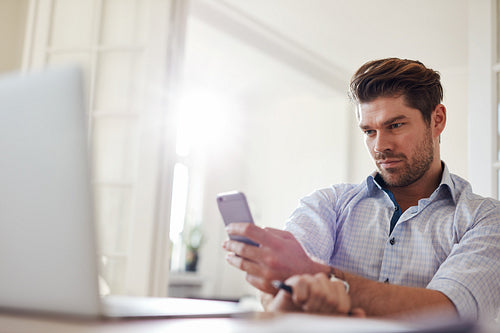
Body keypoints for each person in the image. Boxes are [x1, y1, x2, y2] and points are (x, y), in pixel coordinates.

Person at [222, 58, 500, 321]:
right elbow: (280, 289)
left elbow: (454, 310)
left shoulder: (485, 219)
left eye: (395, 125)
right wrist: (289, 294)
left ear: (437, 119)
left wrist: (327, 282)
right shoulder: (328, 205)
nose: (380, 146)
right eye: (369, 131)